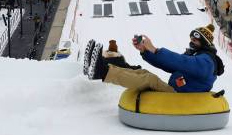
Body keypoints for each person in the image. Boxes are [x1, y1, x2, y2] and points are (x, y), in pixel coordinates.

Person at [86, 25, 224, 97]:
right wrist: (145, 50)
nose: (191, 43)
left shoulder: (207, 61)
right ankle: (102, 65)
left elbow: (181, 62)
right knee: (142, 72)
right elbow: (170, 65)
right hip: (177, 90)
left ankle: (102, 72)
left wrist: (155, 50)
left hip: (182, 96)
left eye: (195, 40)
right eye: (191, 39)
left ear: (204, 43)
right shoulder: (199, 56)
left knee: (149, 79)